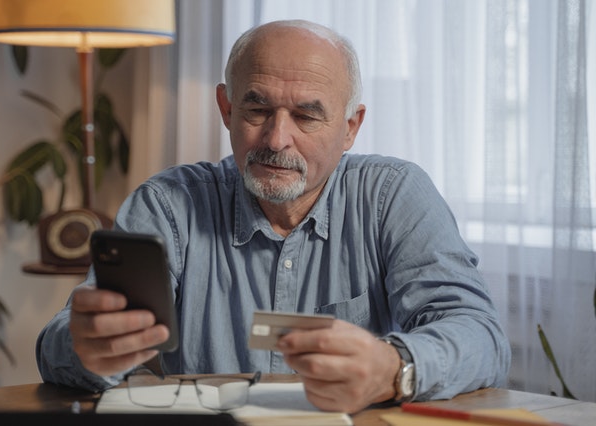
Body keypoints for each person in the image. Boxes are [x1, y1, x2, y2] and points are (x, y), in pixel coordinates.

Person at [36, 19, 511, 414]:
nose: (277, 138)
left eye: (306, 116)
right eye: (257, 107)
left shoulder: (393, 195)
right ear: (226, 108)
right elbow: (61, 341)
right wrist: (86, 347)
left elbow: (480, 335)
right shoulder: (168, 206)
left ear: (350, 128)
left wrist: (394, 367)